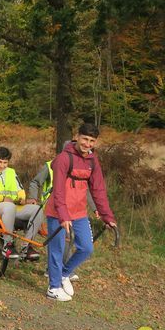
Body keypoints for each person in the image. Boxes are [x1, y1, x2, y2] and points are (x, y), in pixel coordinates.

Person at [44, 123, 117, 302]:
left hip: (79, 212)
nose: (88, 144)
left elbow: (98, 190)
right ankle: (53, 288)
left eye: (92, 141)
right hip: (58, 211)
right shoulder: (63, 158)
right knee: (57, 249)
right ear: (77, 136)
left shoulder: (93, 161)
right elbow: (59, 190)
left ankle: (64, 274)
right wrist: (63, 216)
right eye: (85, 139)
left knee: (86, 248)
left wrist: (107, 216)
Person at [0, 146, 43, 260]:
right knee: (9, 207)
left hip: (13, 207)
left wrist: (21, 198)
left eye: (5, 162)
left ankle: (26, 247)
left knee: (37, 209)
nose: (2, 165)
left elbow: (20, 189)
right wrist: (2, 198)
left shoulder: (11, 172)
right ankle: (8, 245)